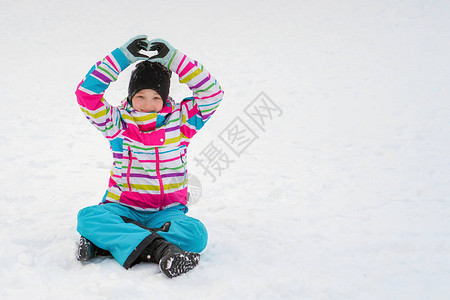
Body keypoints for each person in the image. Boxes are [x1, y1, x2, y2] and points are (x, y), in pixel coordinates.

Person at [75, 35, 224, 278]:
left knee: (196, 234)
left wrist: (174, 59)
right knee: (88, 217)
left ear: (165, 98)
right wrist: (120, 58)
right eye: (141, 96)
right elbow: (86, 96)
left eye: (156, 97)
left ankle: (110, 241)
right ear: (131, 95)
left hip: (166, 212)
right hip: (123, 208)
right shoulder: (118, 123)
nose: (147, 104)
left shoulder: (182, 121)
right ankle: (159, 248)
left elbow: (212, 94)